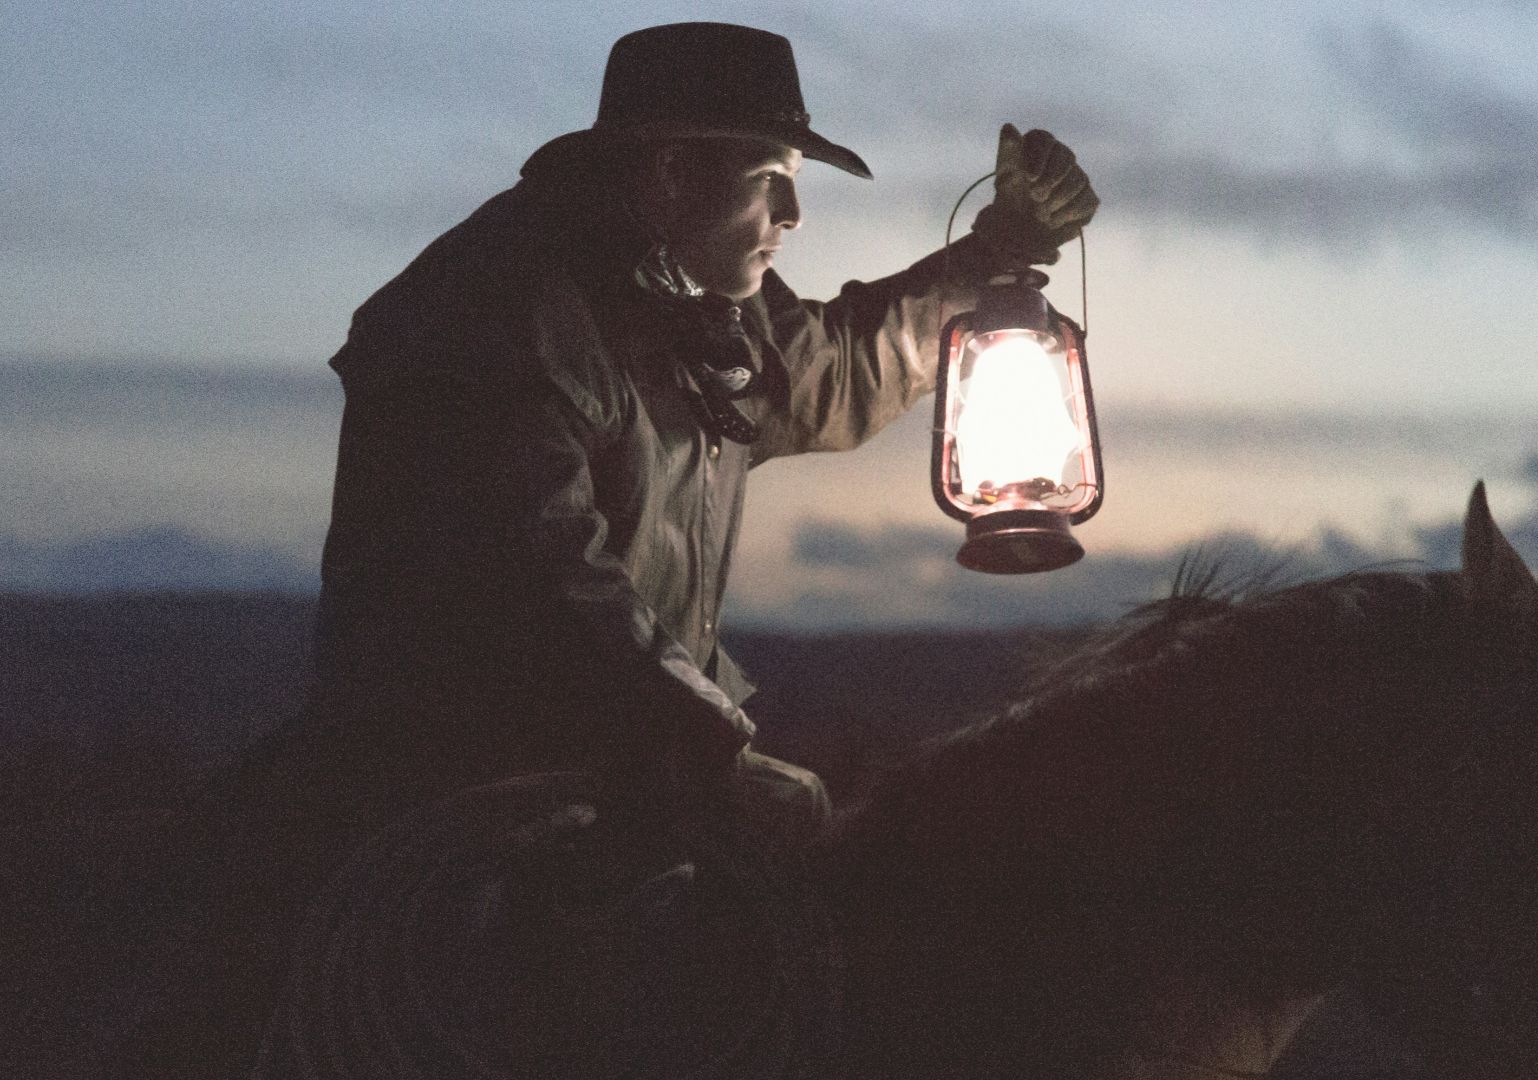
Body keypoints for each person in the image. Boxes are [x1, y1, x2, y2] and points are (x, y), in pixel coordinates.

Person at [109, 22, 1095, 1076]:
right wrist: (721, 757)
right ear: (672, 173)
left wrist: (991, 258)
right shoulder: (492, 309)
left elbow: (840, 363)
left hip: (626, 771)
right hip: (442, 790)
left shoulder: (703, 312)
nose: (795, 218)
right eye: (773, 181)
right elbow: (537, 578)